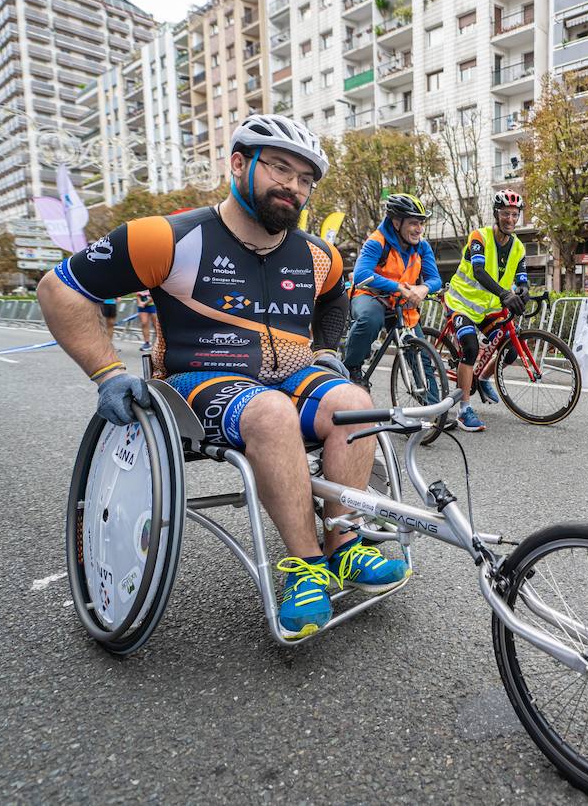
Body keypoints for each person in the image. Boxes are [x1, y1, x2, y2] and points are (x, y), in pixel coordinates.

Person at [38, 114, 406, 639]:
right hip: (200, 381)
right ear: (238, 163)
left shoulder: (317, 255)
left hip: (292, 374)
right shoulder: (167, 237)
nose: (294, 188)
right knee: (271, 412)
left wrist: (326, 351)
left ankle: (344, 544)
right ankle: (305, 568)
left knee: (353, 400)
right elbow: (60, 288)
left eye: (306, 180)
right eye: (281, 169)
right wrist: (107, 373)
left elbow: (333, 301)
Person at [443, 189, 529, 432]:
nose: (510, 219)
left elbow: (522, 278)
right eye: (505, 214)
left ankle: (482, 378)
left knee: (511, 351)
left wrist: (524, 292)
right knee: (470, 348)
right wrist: (505, 295)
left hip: (489, 307)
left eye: (514, 214)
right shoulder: (479, 236)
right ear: (496, 214)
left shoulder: (519, 247)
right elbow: (479, 272)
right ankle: (464, 410)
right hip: (461, 303)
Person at [341, 193, 442, 388]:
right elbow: (361, 274)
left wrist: (423, 288)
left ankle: (435, 410)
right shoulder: (376, 241)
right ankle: (351, 368)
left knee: (421, 356)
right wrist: (399, 288)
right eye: (413, 223)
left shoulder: (422, 246)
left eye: (421, 223)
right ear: (396, 223)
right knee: (370, 319)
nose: (419, 229)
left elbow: (435, 279)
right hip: (371, 295)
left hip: (401, 303)